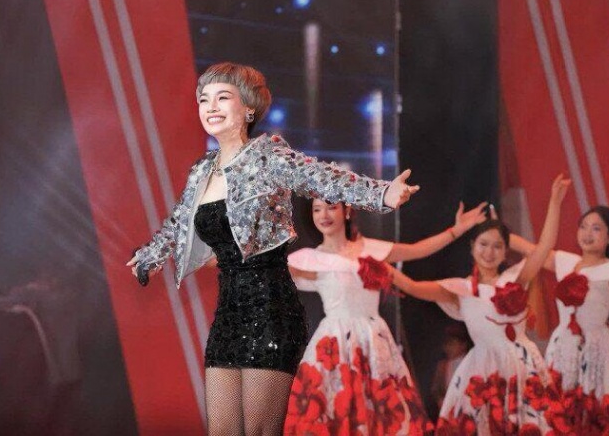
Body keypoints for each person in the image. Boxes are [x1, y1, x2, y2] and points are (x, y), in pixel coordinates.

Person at [126, 62, 419, 436]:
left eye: (222, 97)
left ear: (248, 108)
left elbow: (322, 178)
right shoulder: (202, 170)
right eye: (203, 99)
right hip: (229, 312)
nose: (210, 107)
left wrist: (381, 193)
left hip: (271, 309)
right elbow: (179, 221)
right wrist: (150, 255)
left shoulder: (268, 155)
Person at [283, 199, 486, 435]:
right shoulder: (309, 258)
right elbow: (272, 272)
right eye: (317, 210)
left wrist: (457, 230)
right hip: (335, 341)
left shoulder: (370, 249)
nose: (324, 215)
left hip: (373, 339)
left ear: (347, 211)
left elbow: (417, 250)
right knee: (332, 407)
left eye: (331, 207)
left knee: (381, 410)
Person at [389, 175, 570, 435]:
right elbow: (412, 287)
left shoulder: (516, 279)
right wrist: (376, 261)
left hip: (522, 365)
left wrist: (555, 202)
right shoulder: (460, 289)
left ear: (505, 252)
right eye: (483, 244)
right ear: (473, 247)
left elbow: (544, 248)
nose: (489, 252)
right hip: (483, 367)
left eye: (497, 246)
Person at [510, 205, 609, 433]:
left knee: (603, 418)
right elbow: (527, 248)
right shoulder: (564, 262)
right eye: (583, 226)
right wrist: (485, 226)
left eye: (596, 228)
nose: (587, 233)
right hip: (563, 350)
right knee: (561, 416)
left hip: (601, 353)